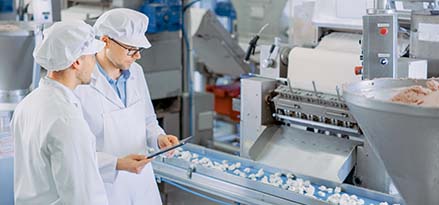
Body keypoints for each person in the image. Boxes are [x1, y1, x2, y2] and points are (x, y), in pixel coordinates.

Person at [74, 8, 179, 205]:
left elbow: (147, 119)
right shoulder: (81, 84)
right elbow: (75, 151)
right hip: (104, 187)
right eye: (131, 49)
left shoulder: (136, 72)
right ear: (105, 41)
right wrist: (116, 164)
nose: (137, 56)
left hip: (141, 183)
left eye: (139, 50)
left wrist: (158, 138)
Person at [11, 21, 111, 205]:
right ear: (77, 62)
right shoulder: (66, 119)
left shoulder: (27, 105)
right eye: (92, 57)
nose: (94, 63)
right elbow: (82, 196)